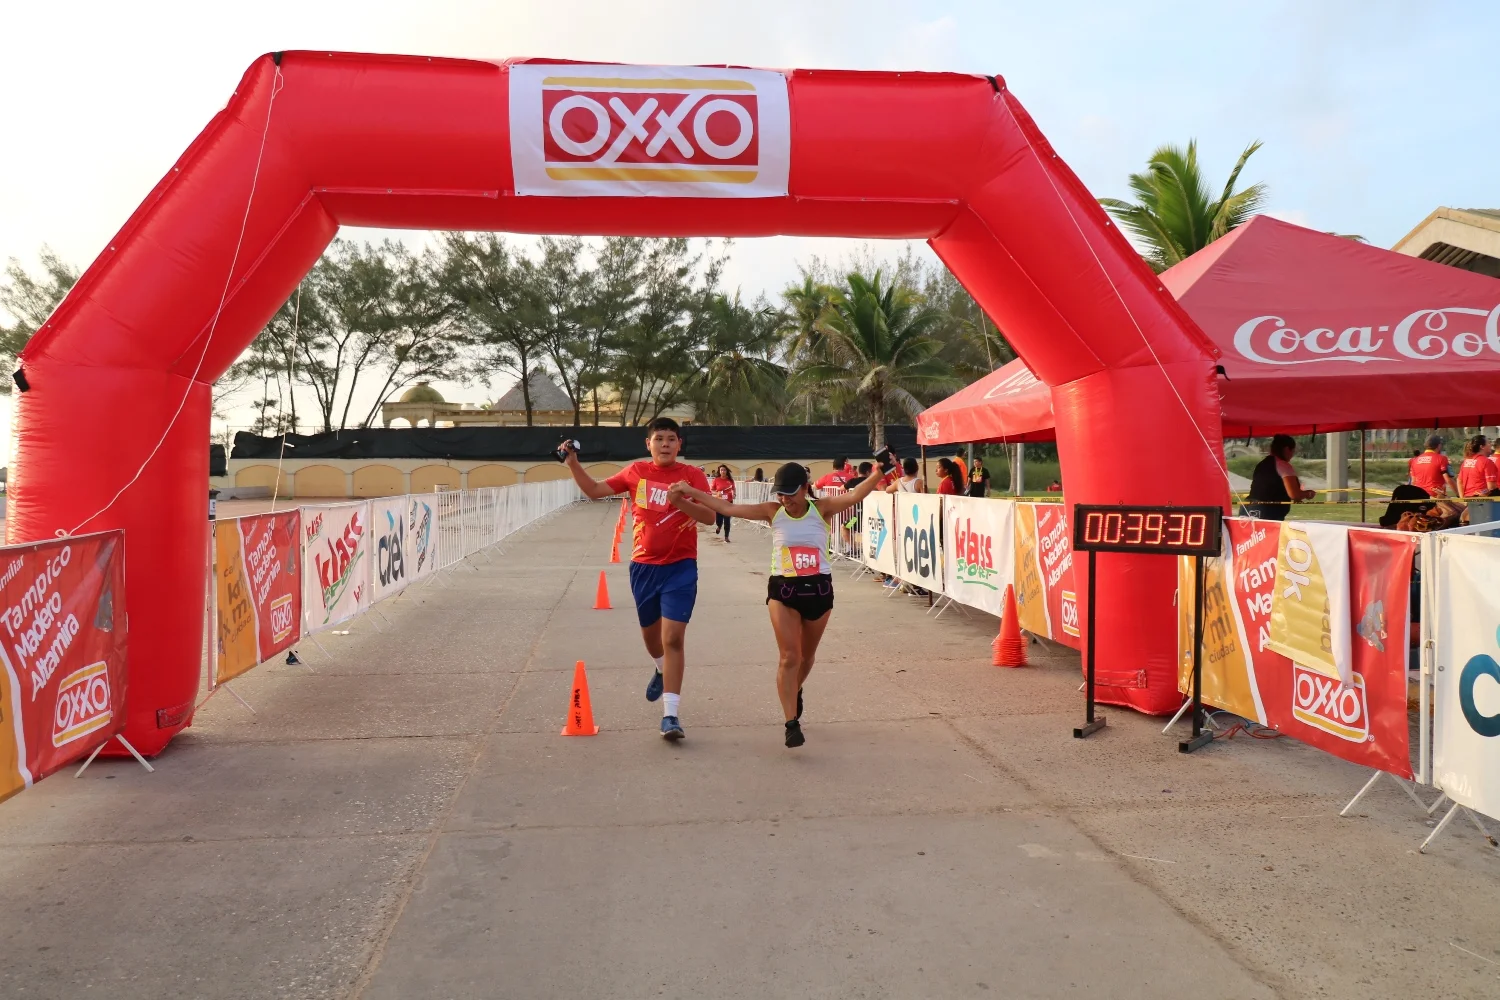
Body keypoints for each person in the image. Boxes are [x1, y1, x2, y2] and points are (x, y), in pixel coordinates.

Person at [668, 460, 886, 748]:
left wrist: (880, 473)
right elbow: (727, 508)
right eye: (781, 494)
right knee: (789, 657)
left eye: (791, 494)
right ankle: (791, 723)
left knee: (806, 658)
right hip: (783, 590)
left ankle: (795, 689)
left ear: (805, 489)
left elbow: (856, 495)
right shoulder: (772, 512)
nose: (786, 500)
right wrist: (690, 491)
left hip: (819, 590)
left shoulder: (822, 509)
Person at [561, 417, 716, 741]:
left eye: (671, 439)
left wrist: (681, 501)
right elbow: (594, 491)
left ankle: (670, 716)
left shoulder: (692, 476)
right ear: (648, 444)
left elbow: (709, 517)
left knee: (673, 639)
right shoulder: (636, 472)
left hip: (681, 567)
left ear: (679, 444)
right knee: (652, 639)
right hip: (644, 568)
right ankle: (660, 667)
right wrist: (573, 463)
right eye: (659, 438)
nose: (665, 444)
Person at [1244, 434, 1316, 521]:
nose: (1292, 455)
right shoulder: (1283, 465)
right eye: (1292, 451)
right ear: (1287, 449)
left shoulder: (1261, 464)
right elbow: (1294, 494)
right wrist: (1308, 494)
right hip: (1267, 512)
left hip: (1248, 508)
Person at [709, 464, 737, 542]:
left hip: (728, 502)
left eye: (724, 470)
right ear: (719, 471)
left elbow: (734, 489)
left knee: (727, 520)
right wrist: (717, 493)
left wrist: (734, 494)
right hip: (719, 502)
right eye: (721, 470)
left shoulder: (730, 480)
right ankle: (719, 526)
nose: (723, 471)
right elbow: (712, 490)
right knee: (719, 519)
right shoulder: (716, 480)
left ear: (726, 471)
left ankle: (726, 537)